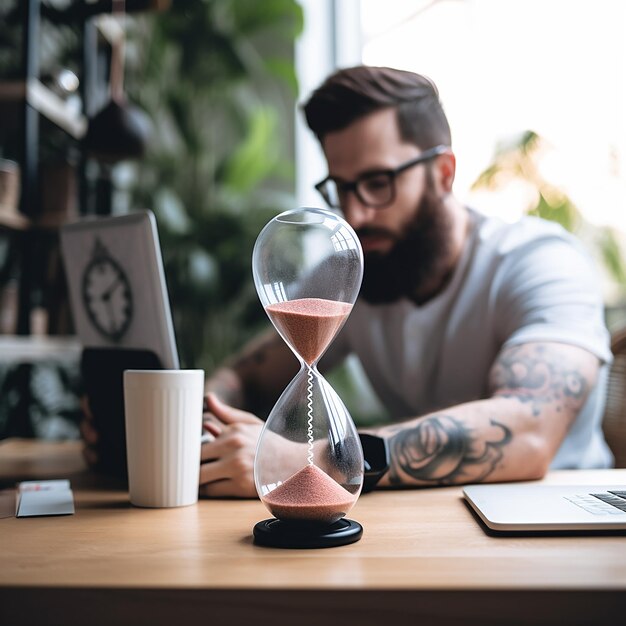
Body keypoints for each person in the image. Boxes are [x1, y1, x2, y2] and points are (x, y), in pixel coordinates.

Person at [81, 65, 614, 497]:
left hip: (556, 512)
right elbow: (250, 371)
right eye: (341, 188)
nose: (356, 213)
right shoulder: (358, 270)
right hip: (429, 514)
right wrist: (193, 423)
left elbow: (529, 427)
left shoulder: (540, 263)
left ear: (444, 173)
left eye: (378, 183)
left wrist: (306, 458)